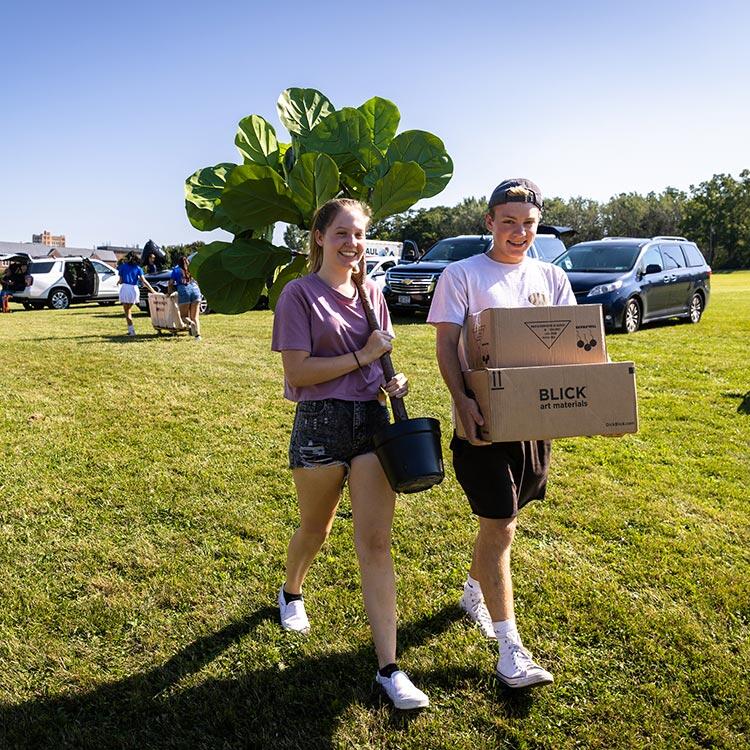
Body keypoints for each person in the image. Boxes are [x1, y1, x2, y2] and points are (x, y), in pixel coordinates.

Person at [271, 198, 429, 711]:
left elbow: (380, 364)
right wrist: (364, 355)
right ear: (319, 237)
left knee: (376, 543)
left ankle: (390, 667)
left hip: (370, 424)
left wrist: (392, 379)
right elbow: (298, 372)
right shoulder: (299, 295)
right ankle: (292, 590)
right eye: (341, 233)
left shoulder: (373, 293)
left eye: (358, 234)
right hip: (319, 424)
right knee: (315, 528)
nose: (351, 244)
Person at [427, 178, 576, 689]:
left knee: (504, 522)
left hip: (535, 424)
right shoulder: (461, 274)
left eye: (528, 224)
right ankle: (509, 648)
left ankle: (473, 589)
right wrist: (461, 401)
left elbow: (569, 353)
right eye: (508, 222)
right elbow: (447, 345)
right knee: (502, 524)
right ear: (489, 222)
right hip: (484, 426)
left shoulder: (552, 277)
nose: (518, 232)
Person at [117, 252, 156, 336]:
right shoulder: (138, 268)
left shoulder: (122, 267)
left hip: (125, 288)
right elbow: (144, 281)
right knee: (129, 310)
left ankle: (131, 331)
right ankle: (131, 330)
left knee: (127, 311)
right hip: (134, 289)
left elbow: (120, 280)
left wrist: (118, 283)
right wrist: (153, 291)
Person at [169, 256, 202, 340]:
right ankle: (197, 336)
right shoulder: (192, 269)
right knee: (195, 317)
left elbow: (170, 283)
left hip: (184, 291)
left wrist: (169, 292)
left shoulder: (176, 270)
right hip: (196, 290)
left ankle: (191, 324)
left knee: (184, 317)